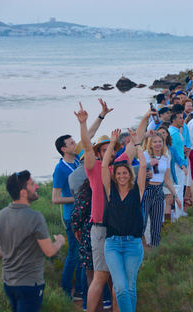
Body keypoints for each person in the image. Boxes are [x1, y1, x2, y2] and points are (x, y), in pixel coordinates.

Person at [53, 99, 113, 301]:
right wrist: (81, 198)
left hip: (87, 212)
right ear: (63, 149)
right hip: (73, 216)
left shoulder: (77, 161)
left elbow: (89, 138)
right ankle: (68, 291)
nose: (74, 144)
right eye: (71, 143)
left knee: (85, 256)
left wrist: (101, 115)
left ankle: (81, 291)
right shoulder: (61, 169)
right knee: (76, 255)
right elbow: (55, 198)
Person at [0, 170, 65, 312]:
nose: (37, 187)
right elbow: (49, 251)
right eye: (32, 184)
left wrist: (12, 253)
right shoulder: (35, 218)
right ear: (23, 192)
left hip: (9, 284)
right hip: (30, 284)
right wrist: (60, 241)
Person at [75, 100, 116, 312]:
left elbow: (135, 151)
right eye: (105, 149)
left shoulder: (118, 170)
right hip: (99, 227)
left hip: (117, 229)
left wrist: (144, 125)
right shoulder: (94, 168)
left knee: (114, 279)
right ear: (99, 152)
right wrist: (84, 123)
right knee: (97, 276)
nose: (109, 152)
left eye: (112, 149)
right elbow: (86, 145)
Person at [101, 128, 146, 312]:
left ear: (130, 175)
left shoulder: (137, 192)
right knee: (120, 287)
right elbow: (104, 167)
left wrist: (137, 144)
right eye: (118, 174)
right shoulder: (110, 191)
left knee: (130, 287)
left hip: (132, 244)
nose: (121, 176)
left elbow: (143, 165)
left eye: (124, 173)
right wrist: (112, 143)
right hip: (112, 244)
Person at [142, 131, 181, 246]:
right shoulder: (145, 155)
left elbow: (167, 179)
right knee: (142, 223)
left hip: (159, 191)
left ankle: (155, 250)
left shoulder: (166, 157)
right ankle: (141, 251)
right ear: (150, 143)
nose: (158, 144)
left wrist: (175, 195)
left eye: (160, 141)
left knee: (157, 224)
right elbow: (137, 173)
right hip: (147, 190)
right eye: (155, 142)